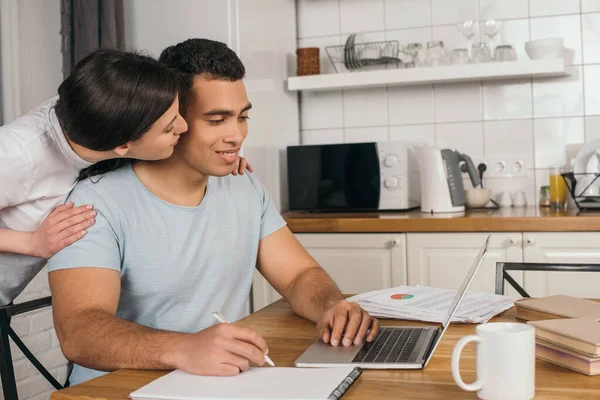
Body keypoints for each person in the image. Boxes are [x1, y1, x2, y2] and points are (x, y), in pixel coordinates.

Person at [47, 38, 379, 386]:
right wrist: (184, 348)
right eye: (217, 119)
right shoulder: (94, 203)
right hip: (116, 389)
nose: (237, 135)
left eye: (242, 117)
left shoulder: (244, 187)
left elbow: (298, 275)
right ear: (171, 118)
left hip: (216, 383)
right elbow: (80, 331)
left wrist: (331, 306)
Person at [0, 49, 249, 306]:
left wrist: (215, 157)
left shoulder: (104, 108)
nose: (183, 127)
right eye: (169, 127)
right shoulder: (16, 153)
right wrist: (31, 242)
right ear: (122, 145)